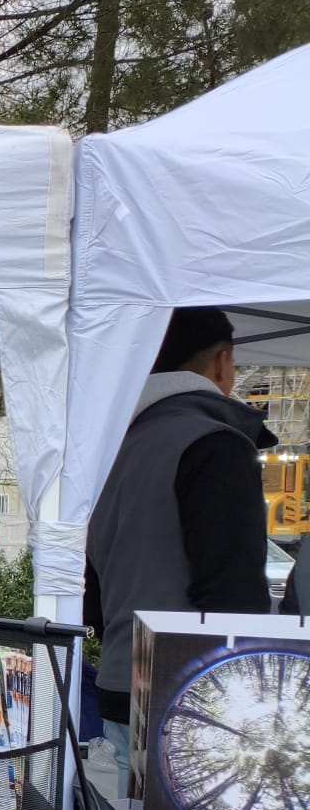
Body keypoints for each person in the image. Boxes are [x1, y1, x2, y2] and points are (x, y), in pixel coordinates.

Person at [85, 306, 276, 781]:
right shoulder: (216, 444)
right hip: (192, 695)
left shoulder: (111, 450)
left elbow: (93, 593)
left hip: (119, 683)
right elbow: (235, 593)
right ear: (222, 363)